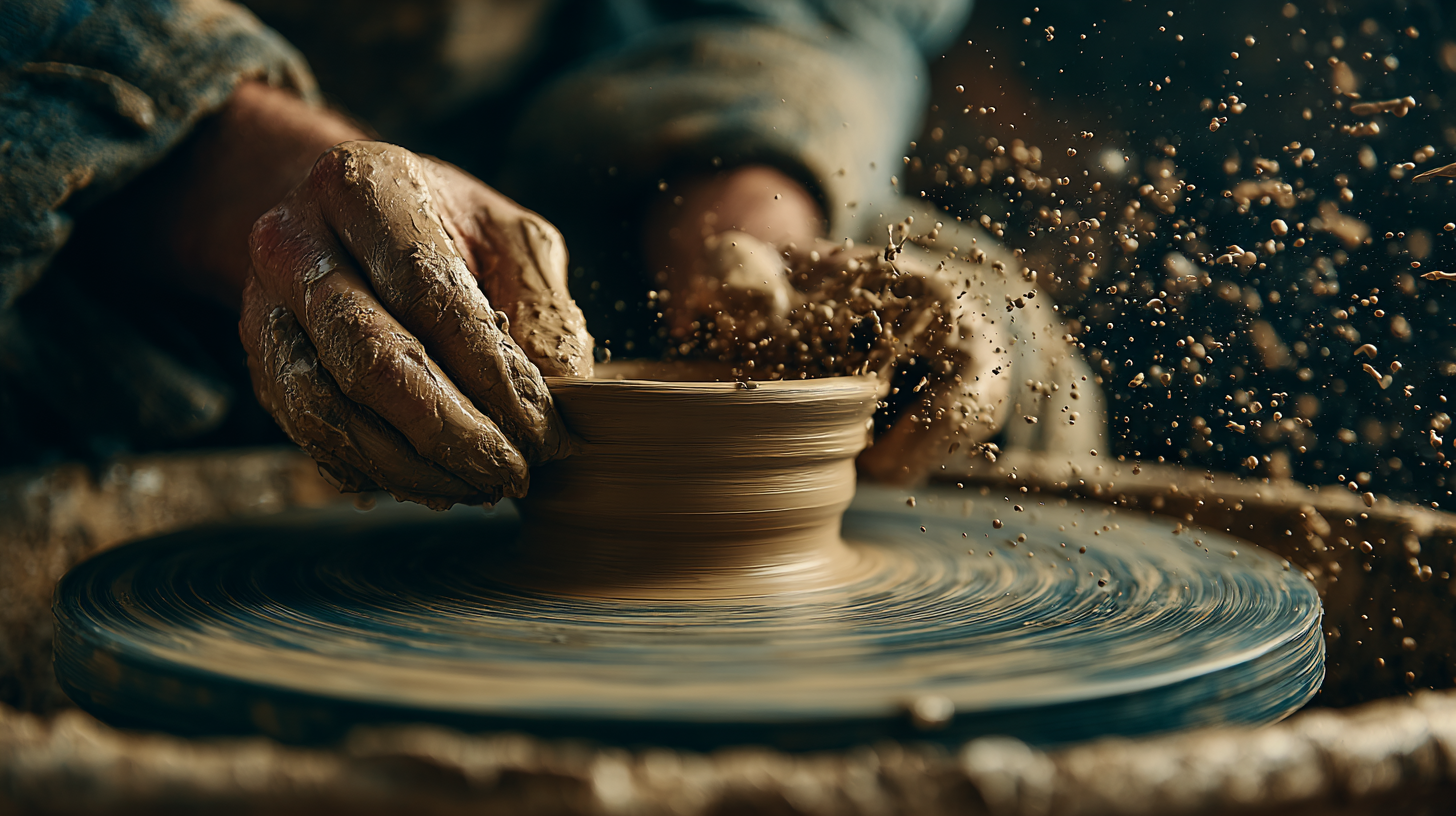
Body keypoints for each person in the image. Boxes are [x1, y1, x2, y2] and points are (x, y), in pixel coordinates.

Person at [0, 0, 1100, 507]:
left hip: (598, 150)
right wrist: (222, 159)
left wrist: (739, 211)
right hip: (114, 168)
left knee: (992, 367)